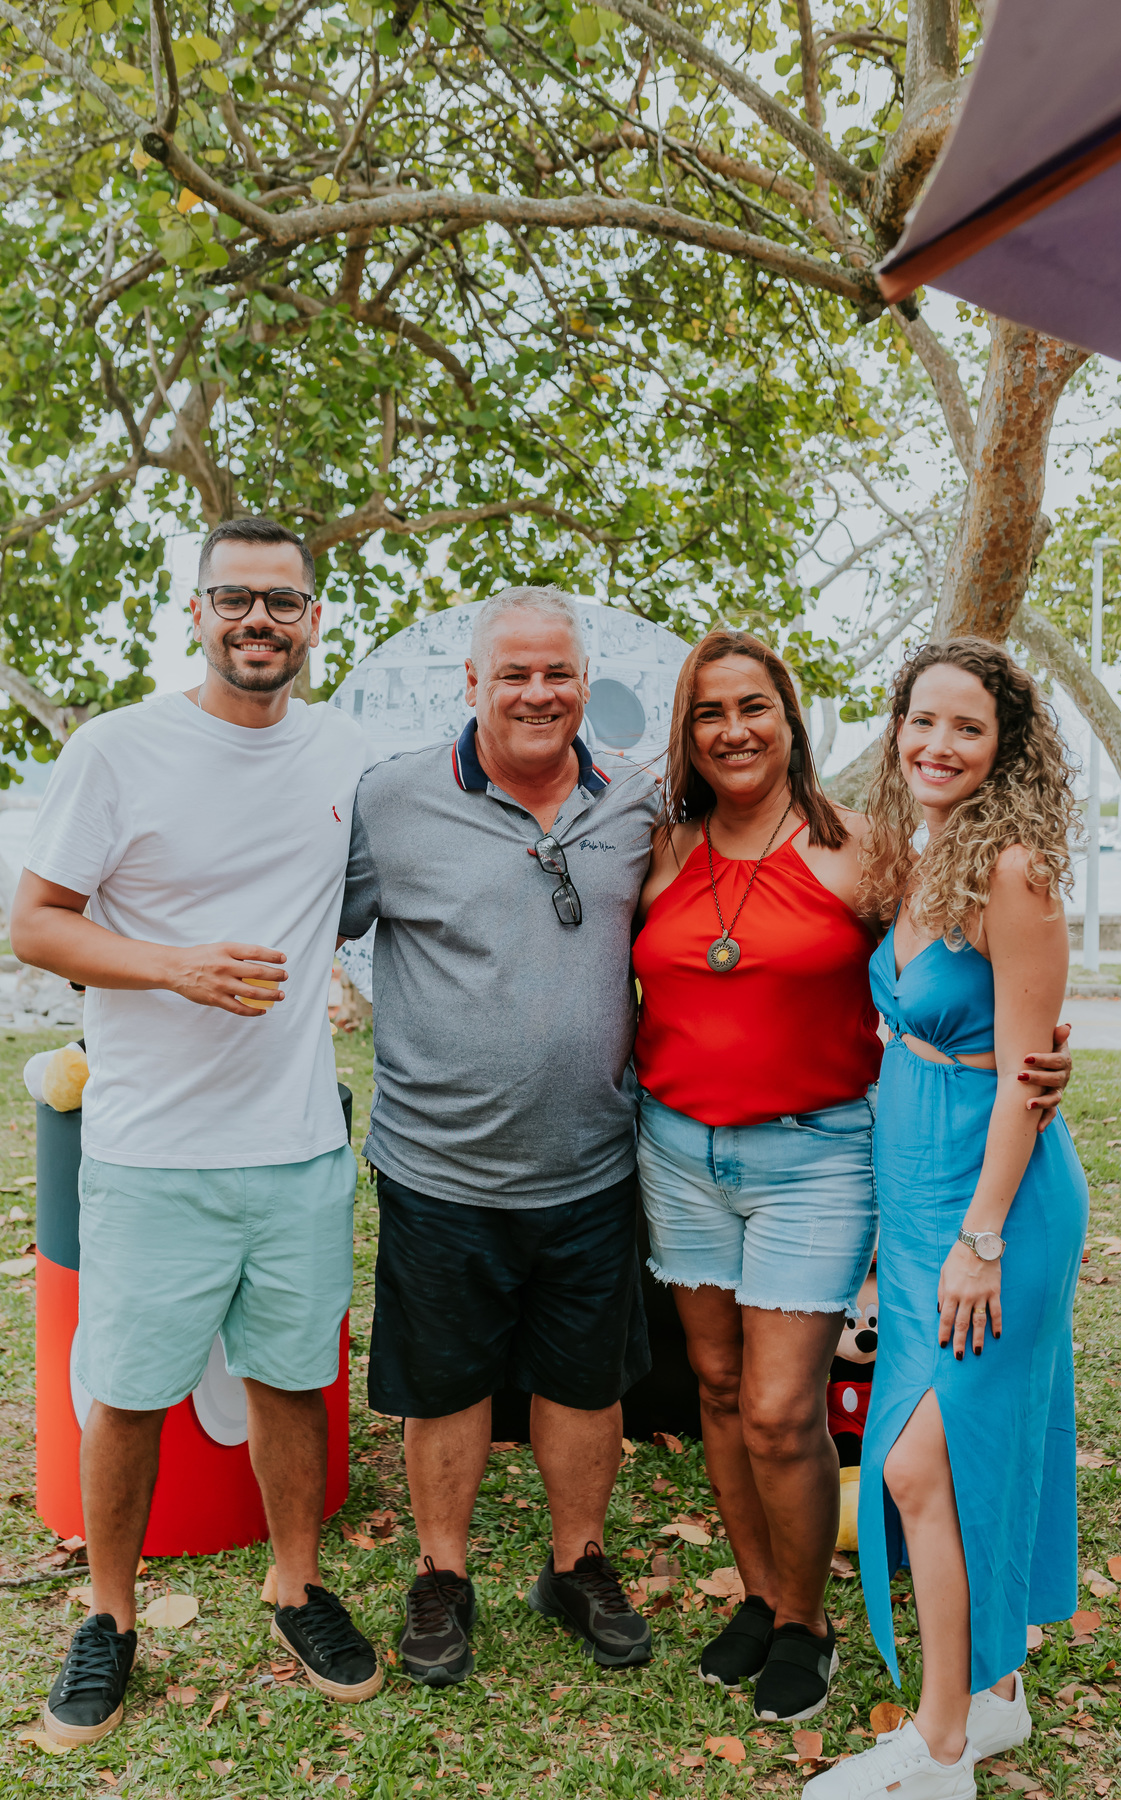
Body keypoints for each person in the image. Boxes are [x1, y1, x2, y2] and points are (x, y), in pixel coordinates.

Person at [631, 629, 1073, 1726]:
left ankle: (811, 1626)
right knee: (720, 1392)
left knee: (785, 1409)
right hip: (680, 1150)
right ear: (687, 733)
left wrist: (1039, 1060)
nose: (733, 729)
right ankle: (764, 1595)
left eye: (756, 707)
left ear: (793, 718)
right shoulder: (661, 848)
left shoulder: (869, 851)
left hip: (819, 1154)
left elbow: (985, 979)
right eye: (708, 712)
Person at [11, 518, 380, 1748]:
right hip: (149, 1153)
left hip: (294, 1145)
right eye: (235, 599)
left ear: (315, 619)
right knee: (123, 1394)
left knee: (292, 1378)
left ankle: (295, 1584)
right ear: (198, 611)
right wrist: (171, 968)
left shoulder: (341, 751)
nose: (258, 621)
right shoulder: (119, 749)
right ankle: (107, 1621)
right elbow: (39, 924)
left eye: (283, 601)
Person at [338, 586, 659, 1686]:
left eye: (557, 673)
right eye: (512, 673)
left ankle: (576, 1564)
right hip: (438, 1167)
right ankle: (443, 1575)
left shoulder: (638, 806)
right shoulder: (391, 802)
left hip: (592, 1164)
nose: (537, 692)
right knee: (447, 1382)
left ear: (586, 684)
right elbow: (300, 921)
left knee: (584, 1382)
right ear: (470, 684)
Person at [808, 639, 1089, 1800]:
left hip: (996, 1203)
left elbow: (1028, 1074)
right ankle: (998, 1697)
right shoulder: (925, 854)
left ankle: (937, 1752)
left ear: (1004, 747)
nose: (938, 746)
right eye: (922, 722)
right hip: (918, 1188)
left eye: (967, 729)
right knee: (953, 1451)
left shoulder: (1013, 870)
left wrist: (981, 1238)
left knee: (926, 1465)